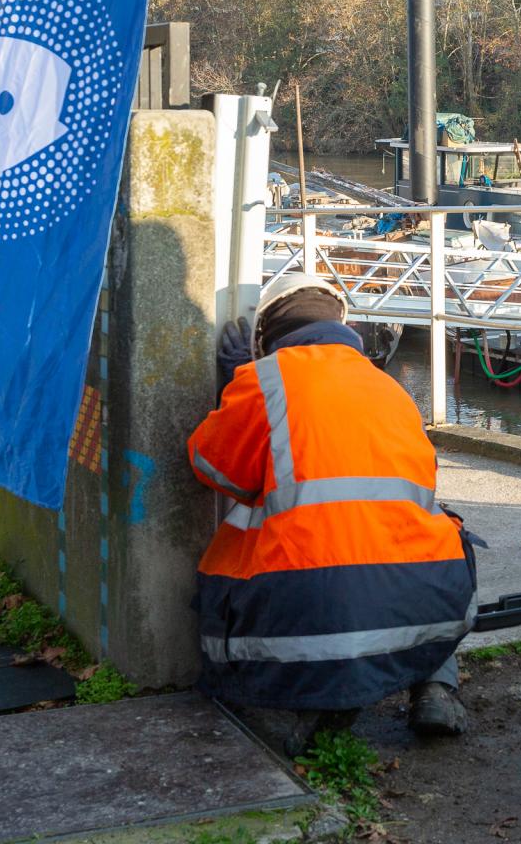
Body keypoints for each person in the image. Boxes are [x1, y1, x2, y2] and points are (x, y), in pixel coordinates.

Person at [190, 272, 477, 752]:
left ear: (266, 337)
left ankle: (317, 698)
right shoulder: (391, 389)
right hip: (420, 598)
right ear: (343, 327)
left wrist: (235, 393)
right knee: (449, 531)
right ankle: (435, 683)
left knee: (249, 527)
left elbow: (214, 469)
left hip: (302, 605)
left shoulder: (263, 379)